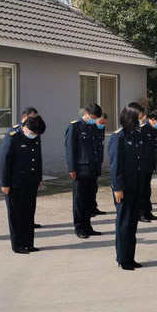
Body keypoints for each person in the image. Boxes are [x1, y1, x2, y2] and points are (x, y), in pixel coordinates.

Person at [0, 115, 46, 254]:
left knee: (29, 213)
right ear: (25, 127)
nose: (34, 136)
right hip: (15, 183)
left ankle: (29, 243)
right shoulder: (13, 137)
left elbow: (37, 158)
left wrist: (39, 178)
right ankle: (18, 245)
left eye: (36, 134)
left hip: (31, 181)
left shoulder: (35, 136)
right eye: (32, 133)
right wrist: (5, 183)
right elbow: (5, 161)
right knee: (16, 215)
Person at [109, 102, 145, 270]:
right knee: (124, 223)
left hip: (135, 185)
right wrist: (117, 187)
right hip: (123, 188)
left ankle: (130, 256)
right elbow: (115, 165)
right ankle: (123, 258)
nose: (141, 121)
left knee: (132, 224)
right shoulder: (119, 137)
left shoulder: (136, 135)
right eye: (139, 117)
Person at [65, 102, 103, 238]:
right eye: (93, 117)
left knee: (89, 200)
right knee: (80, 200)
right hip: (81, 170)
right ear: (86, 113)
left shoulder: (94, 127)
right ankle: (80, 228)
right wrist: (72, 168)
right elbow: (70, 149)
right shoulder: (75, 127)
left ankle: (88, 226)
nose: (94, 120)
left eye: (96, 118)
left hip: (93, 169)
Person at [9, 107, 42, 229]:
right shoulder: (14, 133)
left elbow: (37, 157)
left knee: (30, 203)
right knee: (19, 206)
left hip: (31, 176)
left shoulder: (35, 131)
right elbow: (7, 159)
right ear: (24, 117)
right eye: (32, 117)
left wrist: (39, 177)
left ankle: (29, 221)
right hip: (18, 177)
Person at [139, 109, 157, 222]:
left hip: (149, 164)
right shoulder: (143, 129)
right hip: (141, 165)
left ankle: (147, 211)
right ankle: (140, 213)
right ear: (153, 119)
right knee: (141, 190)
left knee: (147, 189)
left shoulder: (154, 130)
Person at [92, 113, 108, 217]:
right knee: (88, 188)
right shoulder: (91, 129)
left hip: (97, 162)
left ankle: (93, 207)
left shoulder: (101, 129)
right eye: (101, 122)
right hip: (90, 163)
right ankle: (88, 209)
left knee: (94, 187)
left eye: (104, 123)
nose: (102, 125)